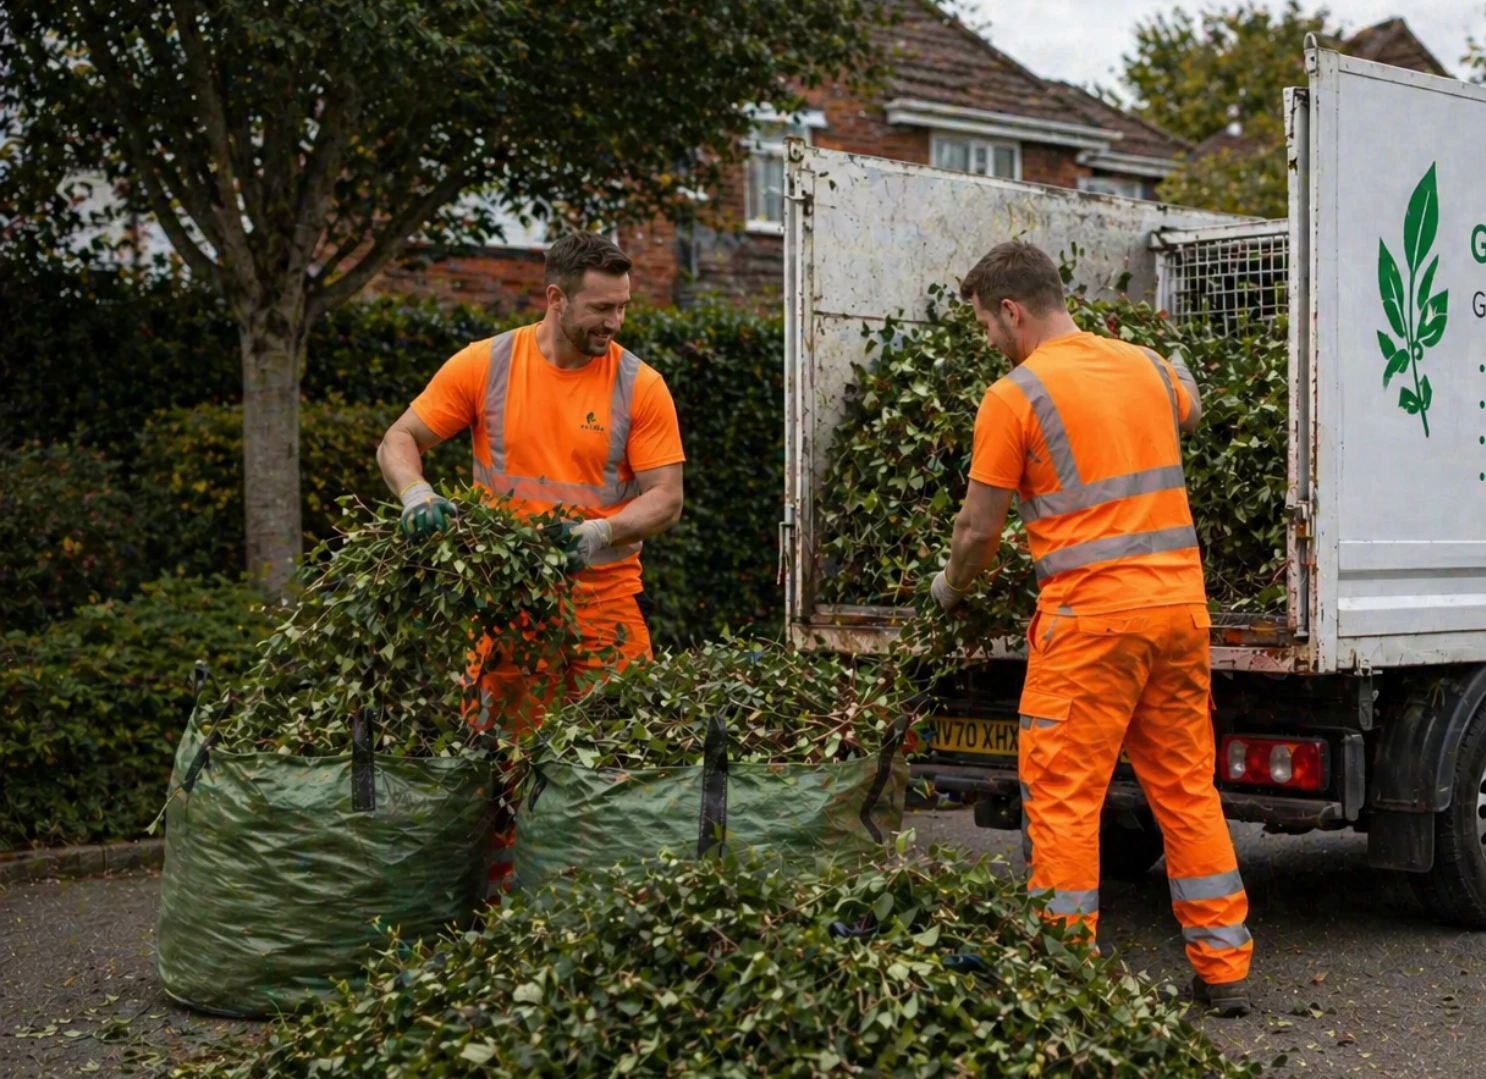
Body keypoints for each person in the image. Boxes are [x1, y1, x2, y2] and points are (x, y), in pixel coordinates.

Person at [926, 241, 1253, 1018]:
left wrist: (949, 586)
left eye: (984, 325)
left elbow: (978, 528)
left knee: (1067, 795)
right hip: (1178, 612)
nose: (987, 342)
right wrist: (1173, 374)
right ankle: (1224, 968)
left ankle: (1060, 973)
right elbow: (1193, 405)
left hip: (1091, 625)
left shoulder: (1014, 396)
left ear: (1012, 310)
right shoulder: (1143, 365)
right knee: (1184, 789)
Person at [376, 231, 685, 892]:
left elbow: (666, 498)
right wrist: (415, 491)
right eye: (601, 308)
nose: (615, 322)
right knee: (505, 768)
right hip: (509, 607)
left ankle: (617, 899)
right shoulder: (486, 366)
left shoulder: (640, 384)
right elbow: (400, 439)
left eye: (623, 307)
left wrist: (599, 533)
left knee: (627, 760)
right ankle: (506, 917)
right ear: (555, 297)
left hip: (603, 602)